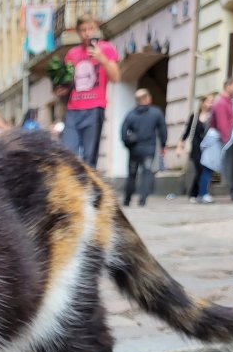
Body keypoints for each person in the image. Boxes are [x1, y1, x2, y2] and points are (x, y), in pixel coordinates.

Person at [58, 14, 120, 167]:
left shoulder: (106, 48)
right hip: (73, 109)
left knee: (89, 157)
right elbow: (68, 82)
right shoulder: (72, 53)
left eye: (90, 29)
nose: (87, 33)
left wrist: (102, 59)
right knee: (67, 154)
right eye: (83, 30)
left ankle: (88, 182)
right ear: (78, 32)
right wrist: (61, 89)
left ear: (96, 28)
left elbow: (116, 77)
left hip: (94, 108)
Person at [120, 89, 167, 207]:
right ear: (147, 99)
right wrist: (163, 145)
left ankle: (127, 200)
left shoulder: (131, 114)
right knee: (146, 173)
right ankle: (142, 200)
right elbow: (162, 130)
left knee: (132, 174)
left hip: (134, 150)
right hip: (149, 150)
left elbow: (123, 132)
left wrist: (128, 144)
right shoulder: (156, 112)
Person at [199, 77, 233, 204]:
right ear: (227, 86)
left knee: (211, 167)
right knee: (208, 167)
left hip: (219, 139)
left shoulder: (226, 102)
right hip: (216, 139)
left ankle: (204, 194)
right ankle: (203, 194)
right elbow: (223, 126)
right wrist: (229, 142)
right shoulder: (222, 103)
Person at [176, 93, 215, 203]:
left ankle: (198, 193)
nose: (211, 104)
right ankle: (196, 193)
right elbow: (187, 132)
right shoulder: (194, 117)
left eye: (212, 102)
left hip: (207, 148)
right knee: (199, 169)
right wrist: (179, 146)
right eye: (208, 101)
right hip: (196, 147)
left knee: (203, 170)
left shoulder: (212, 116)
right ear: (202, 103)